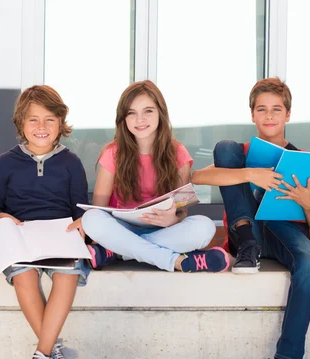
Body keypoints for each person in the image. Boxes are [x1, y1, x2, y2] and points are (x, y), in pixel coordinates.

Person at [192, 77, 310, 359]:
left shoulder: (303, 161)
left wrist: (308, 204)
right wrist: (251, 174)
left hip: (285, 233)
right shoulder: (239, 155)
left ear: (288, 115)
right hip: (247, 230)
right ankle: (247, 244)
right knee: (225, 146)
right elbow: (197, 177)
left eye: (276, 109)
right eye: (261, 109)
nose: (269, 116)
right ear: (252, 115)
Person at [0, 85, 89, 359]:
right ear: (21, 124)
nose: (41, 127)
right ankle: (51, 352)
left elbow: (79, 207)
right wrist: (1, 217)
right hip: (21, 239)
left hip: (60, 239)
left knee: (67, 276)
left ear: (60, 123)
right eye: (33, 120)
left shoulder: (71, 163)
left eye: (49, 119)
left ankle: (41, 356)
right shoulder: (6, 162)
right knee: (25, 276)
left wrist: (83, 221)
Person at [81, 80, 229, 273]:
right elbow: (100, 208)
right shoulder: (113, 153)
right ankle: (176, 261)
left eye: (148, 111)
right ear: (123, 119)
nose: (139, 119)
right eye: (131, 113)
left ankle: (117, 252)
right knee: (91, 218)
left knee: (205, 227)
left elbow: (182, 212)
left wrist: (172, 220)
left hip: (163, 230)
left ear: (161, 113)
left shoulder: (178, 153)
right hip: (123, 229)